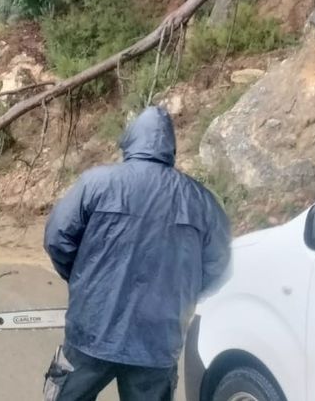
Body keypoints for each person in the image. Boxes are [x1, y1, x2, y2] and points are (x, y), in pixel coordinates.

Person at [42, 106, 231, 401]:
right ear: (171, 148)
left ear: (130, 140)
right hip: (157, 344)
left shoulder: (96, 183)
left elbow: (57, 238)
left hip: (92, 331)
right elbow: (219, 265)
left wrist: (83, 281)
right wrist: (183, 297)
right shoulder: (200, 200)